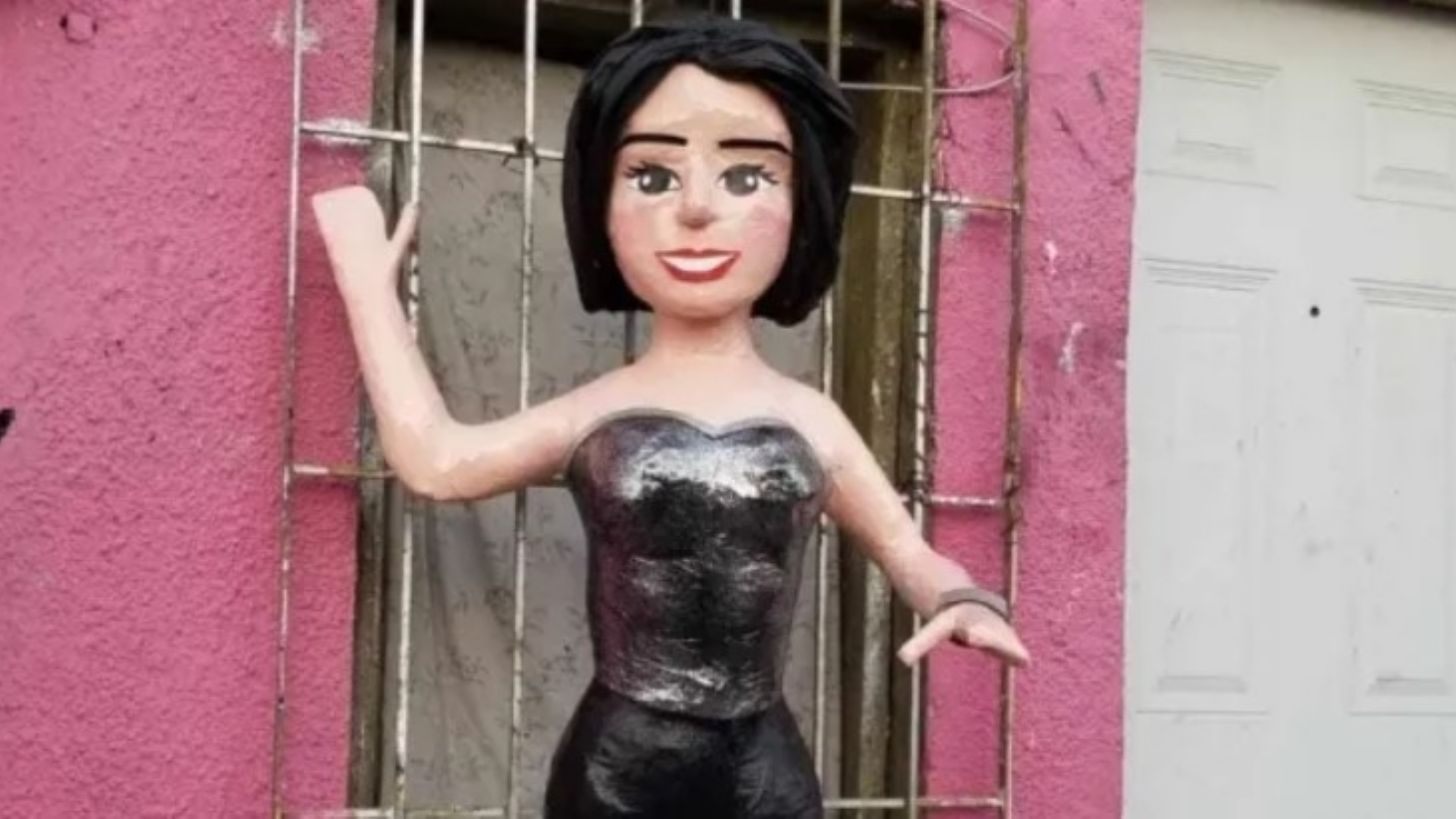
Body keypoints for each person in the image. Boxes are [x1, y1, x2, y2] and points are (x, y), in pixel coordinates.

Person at [312, 16, 1028, 819]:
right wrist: (370, 295)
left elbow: (906, 550)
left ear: (805, 204)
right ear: (601, 201)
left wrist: (965, 599)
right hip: (618, 767)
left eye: (747, 176)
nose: (694, 208)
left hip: (763, 769)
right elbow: (438, 461)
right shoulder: (600, 409)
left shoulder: (811, 418)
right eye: (651, 175)